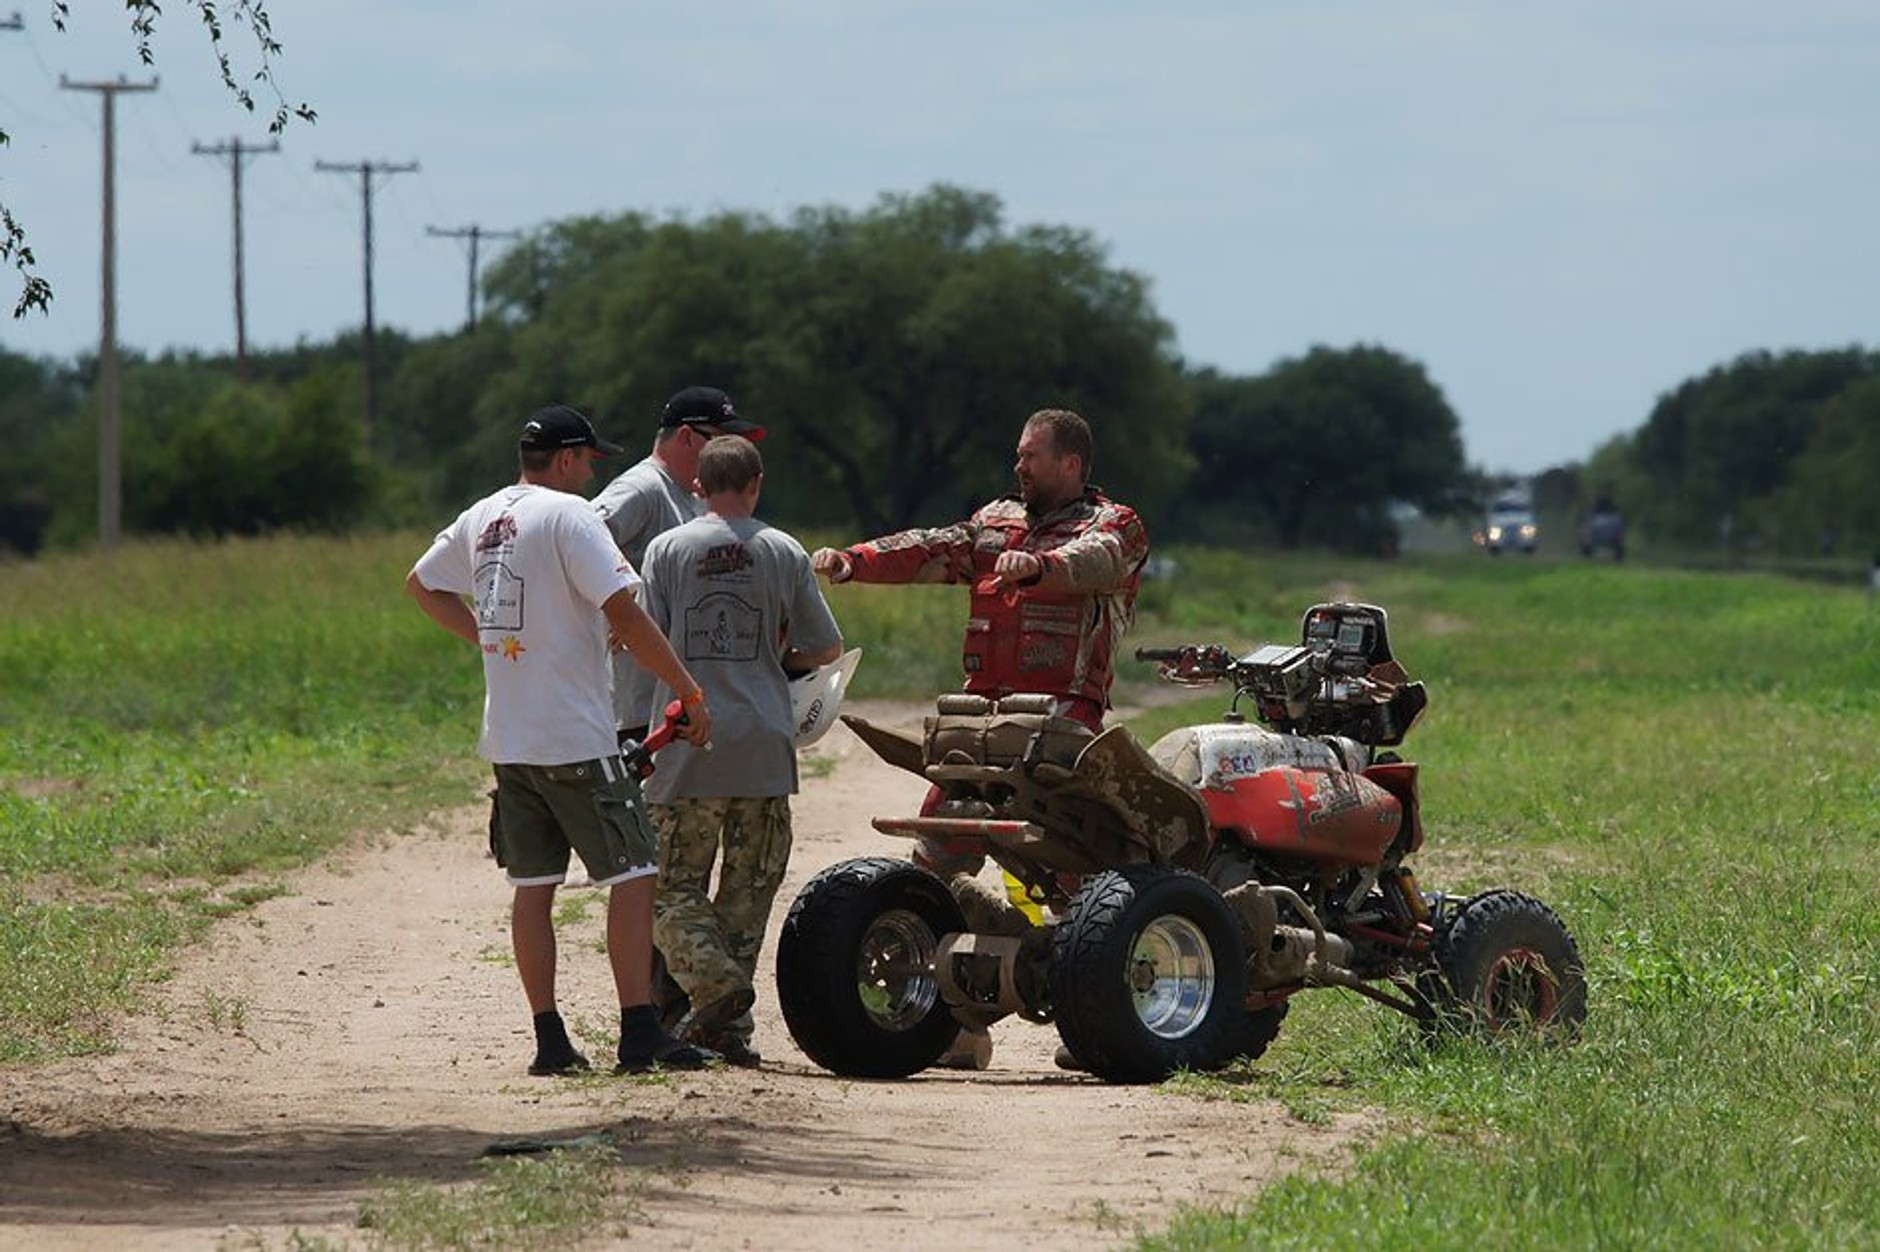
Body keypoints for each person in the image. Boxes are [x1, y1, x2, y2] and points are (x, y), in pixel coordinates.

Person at [809, 407, 1148, 1068]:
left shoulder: (1115, 524)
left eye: (1031, 456)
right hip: (981, 729)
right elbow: (933, 547)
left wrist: (1039, 567)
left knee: (1082, 881)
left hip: (1063, 728)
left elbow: (1097, 561)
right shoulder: (995, 521)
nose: (1019, 466)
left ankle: (1096, 1023)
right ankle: (951, 1025)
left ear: (1070, 463)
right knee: (933, 867)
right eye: (1018, 454)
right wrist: (854, 562)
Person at [406, 403, 720, 1077]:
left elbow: (422, 584)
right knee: (634, 874)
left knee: (535, 886)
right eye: (588, 461)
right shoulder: (571, 516)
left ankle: (550, 1040)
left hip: (510, 738)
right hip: (575, 737)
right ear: (568, 458)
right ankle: (639, 1030)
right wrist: (688, 691)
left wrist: (490, 640)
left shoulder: (483, 515)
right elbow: (625, 613)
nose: (590, 474)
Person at [639, 435, 844, 1068]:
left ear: (699, 486)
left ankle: (716, 989)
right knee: (747, 894)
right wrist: (776, 659)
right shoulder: (784, 550)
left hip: (688, 742)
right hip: (763, 742)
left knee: (665, 888)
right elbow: (826, 647)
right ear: (756, 485)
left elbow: (647, 637)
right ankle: (725, 1029)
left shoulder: (668, 549)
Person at [592, 385, 766, 746]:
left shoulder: (693, 494)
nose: (729, 450)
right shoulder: (643, 487)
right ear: (687, 436)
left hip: (676, 696)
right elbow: (583, 534)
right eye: (720, 438)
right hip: (638, 702)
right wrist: (626, 596)